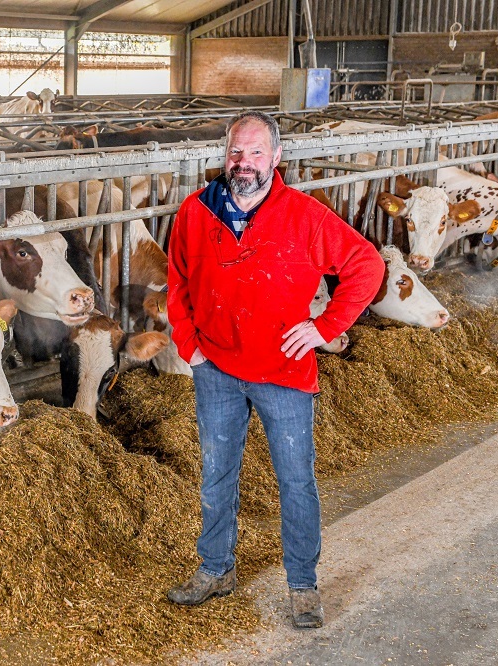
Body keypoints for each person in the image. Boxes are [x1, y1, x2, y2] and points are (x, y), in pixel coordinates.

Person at [165, 110, 384, 628]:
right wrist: (188, 345)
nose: (244, 162)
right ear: (225, 154)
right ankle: (217, 568)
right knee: (217, 475)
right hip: (215, 366)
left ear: (277, 157)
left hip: (284, 370)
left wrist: (325, 327)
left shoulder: (305, 215)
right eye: (236, 152)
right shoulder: (196, 212)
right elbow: (177, 281)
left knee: (295, 480)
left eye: (256, 152)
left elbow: (366, 264)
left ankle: (302, 585)